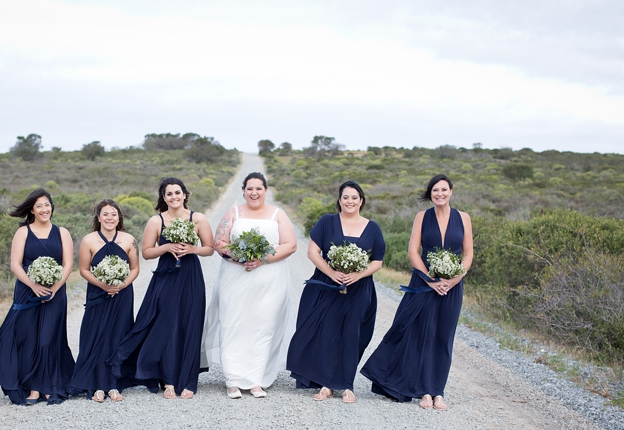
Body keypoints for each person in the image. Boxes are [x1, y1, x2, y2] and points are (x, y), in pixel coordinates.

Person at [360, 174, 473, 410]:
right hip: (423, 284)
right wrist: (431, 281)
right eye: (435, 190)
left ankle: (438, 391)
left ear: (451, 192)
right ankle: (423, 391)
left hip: (452, 287)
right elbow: (413, 252)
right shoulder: (422, 217)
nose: (440, 194)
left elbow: (468, 254)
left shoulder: (463, 218)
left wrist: (453, 281)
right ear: (430, 194)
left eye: (444, 190)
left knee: (444, 337)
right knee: (421, 334)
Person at [108, 178, 214, 398]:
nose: (174, 197)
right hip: (166, 276)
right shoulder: (156, 220)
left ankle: (188, 380)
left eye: (177, 192)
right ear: (163, 197)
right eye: (169, 194)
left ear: (185, 194)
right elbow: (147, 252)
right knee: (166, 325)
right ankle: (168, 381)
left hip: (190, 276)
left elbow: (209, 249)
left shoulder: (198, 218)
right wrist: (166, 247)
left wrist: (192, 249)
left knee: (189, 323)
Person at [286, 181, 385, 403]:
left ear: (361, 201)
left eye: (354, 197)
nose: (350, 201)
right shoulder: (327, 222)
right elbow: (313, 252)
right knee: (327, 333)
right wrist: (332, 273)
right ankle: (327, 384)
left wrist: (358, 275)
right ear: (339, 200)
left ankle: (347, 385)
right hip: (328, 286)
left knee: (352, 334)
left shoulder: (372, 228)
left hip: (359, 289)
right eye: (345, 197)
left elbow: (378, 261)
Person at [202, 171, 297, 398]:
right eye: (250, 188)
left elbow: (290, 245)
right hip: (235, 277)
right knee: (232, 324)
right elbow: (219, 242)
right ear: (243, 191)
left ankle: (255, 380)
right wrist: (240, 257)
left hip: (269, 280)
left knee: (263, 326)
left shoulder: (278, 214)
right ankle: (232, 380)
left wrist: (263, 259)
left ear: (266, 190)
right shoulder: (233, 212)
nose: (254, 193)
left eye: (258, 188)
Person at [0, 188, 75, 405]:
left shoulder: (62, 233)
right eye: (39, 206)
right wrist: (34, 285)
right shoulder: (23, 232)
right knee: (28, 338)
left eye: (47, 205)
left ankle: (49, 385)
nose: (44, 209)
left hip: (55, 292)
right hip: (27, 291)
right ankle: (33, 387)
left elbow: (68, 265)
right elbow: (15, 264)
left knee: (48, 339)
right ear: (31, 209)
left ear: (52, 207)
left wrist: (54, 289)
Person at [67, 200, 141, 402]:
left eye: (113, 214)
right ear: (98, 217)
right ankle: (98, 385)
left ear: (119, 217)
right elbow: (84, 270)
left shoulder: (129, 240)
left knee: (118, 334)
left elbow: (135, 268)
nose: (110, 218)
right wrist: (102, 284)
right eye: (105, 214)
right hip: (98, 294)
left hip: (122, 294)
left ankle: (114, 384)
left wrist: (122, 285)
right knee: (96, 335)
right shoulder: (88, 240)